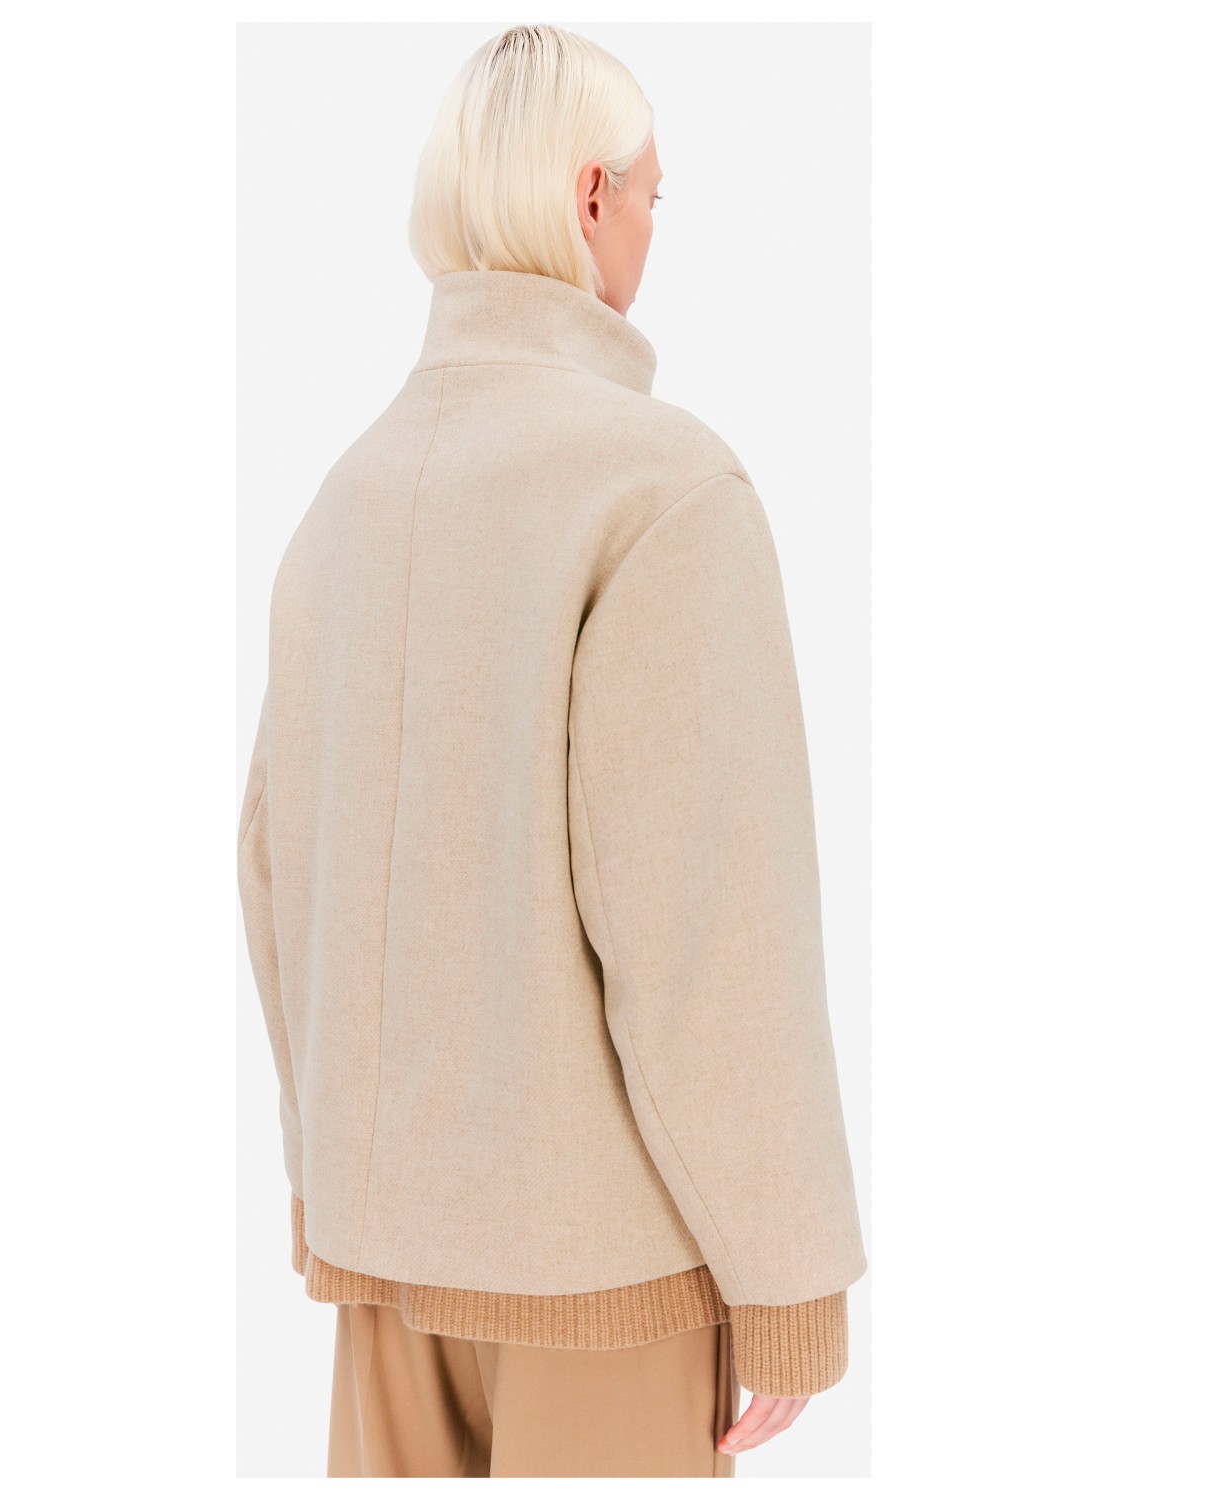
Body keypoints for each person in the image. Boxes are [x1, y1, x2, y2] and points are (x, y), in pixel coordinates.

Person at [238, 23, 866, 1479]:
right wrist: (790, 1284)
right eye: (653, 195)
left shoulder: (341, 502)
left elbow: (273, 877)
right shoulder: (663, 489)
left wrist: (327, 1183)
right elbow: (711, 927)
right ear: (592, 198)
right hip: (601, 1282)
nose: (653, 226)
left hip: (384, 1274)